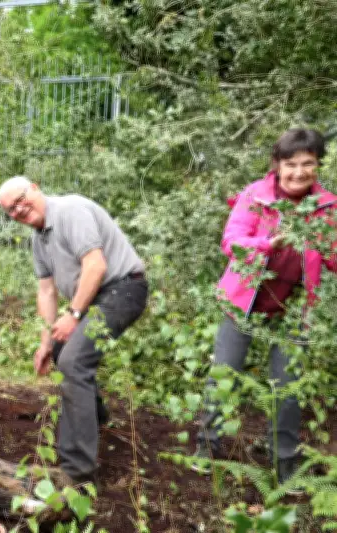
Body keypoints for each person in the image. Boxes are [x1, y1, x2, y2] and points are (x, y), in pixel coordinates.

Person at [194, 128, 337, 490]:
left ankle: (283, 459)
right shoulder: (256, 196)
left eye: (308, 163)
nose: (299, 172)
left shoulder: (327, 207)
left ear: (318, 165)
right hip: (244, 301)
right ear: (278, 165)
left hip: (294, 308)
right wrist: (266, 245)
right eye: (291, 164)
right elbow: (233, 242)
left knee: (287, 386)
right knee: (224, 373)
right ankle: (206, 449)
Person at [0, 176, 149, 487]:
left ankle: (78, 470)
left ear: (36, 187)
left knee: (74, 362)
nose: (19, 210)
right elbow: (46, 292)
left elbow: (95, 266)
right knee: (61, 352)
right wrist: (46, 342)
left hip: (124, 289)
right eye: (11, 210)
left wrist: (74, 314)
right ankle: (95, 420)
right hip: (95, 296)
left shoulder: (70, 211)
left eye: (21, 200)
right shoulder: (38, 238)